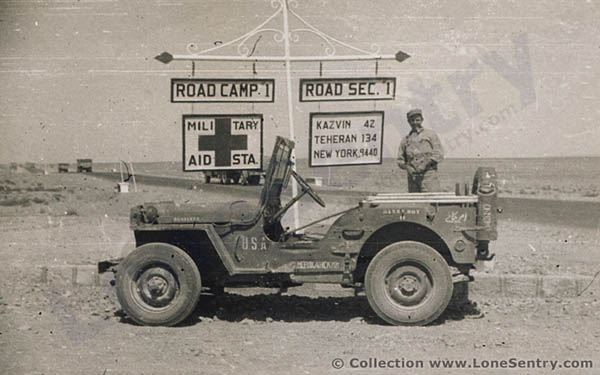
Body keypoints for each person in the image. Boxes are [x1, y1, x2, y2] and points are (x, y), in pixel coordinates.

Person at [397, 108, 444, 192]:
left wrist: (425, 164)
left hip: (429, 176)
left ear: (422, 120)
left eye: (417, 120)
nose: (415, 123)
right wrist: (408, 168)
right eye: (412, 120)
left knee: (433, 202)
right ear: (408, 122)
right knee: (416, 203)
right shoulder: (405, 139)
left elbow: (438, 154)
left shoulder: (431, 135)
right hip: (413, 179)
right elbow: (400, 160)